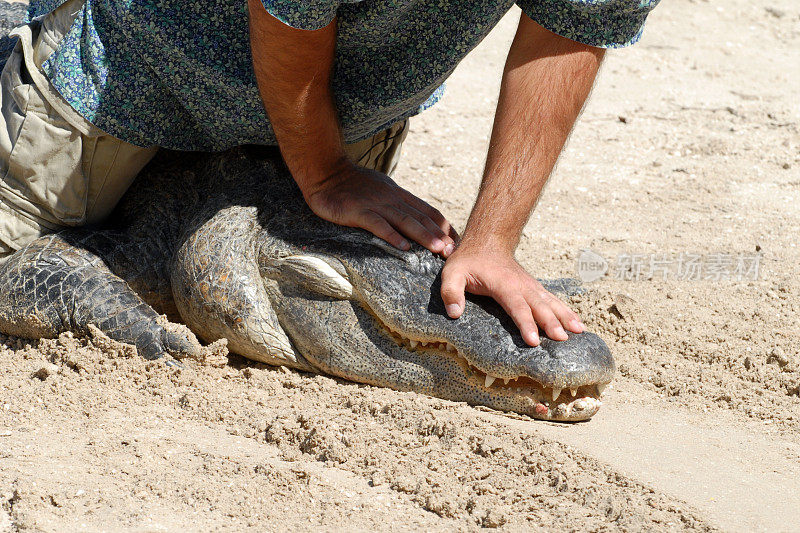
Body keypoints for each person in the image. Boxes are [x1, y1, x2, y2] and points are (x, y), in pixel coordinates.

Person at [0, 0, 659, 346]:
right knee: (8, 266)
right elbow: (286, 14)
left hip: (338, 111)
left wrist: (494, 236)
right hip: (137, 73)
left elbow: (576, 22)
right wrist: (327, 176)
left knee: (384, 279)